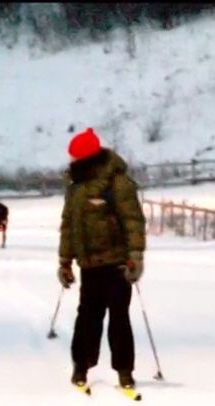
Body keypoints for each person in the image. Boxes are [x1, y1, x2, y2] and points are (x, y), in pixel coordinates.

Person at [57, 127, 146, 391]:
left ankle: (124, 372)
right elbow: (68, 225)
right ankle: (81, 367)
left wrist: (135, 256)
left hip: (117, 263)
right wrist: (65, 260)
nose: (72, 162)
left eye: (76, 157)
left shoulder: (117, 182)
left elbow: (133, 221)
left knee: (119, 318)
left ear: (89, 158)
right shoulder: (75, 187)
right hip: (89, 265)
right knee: (87, 317)